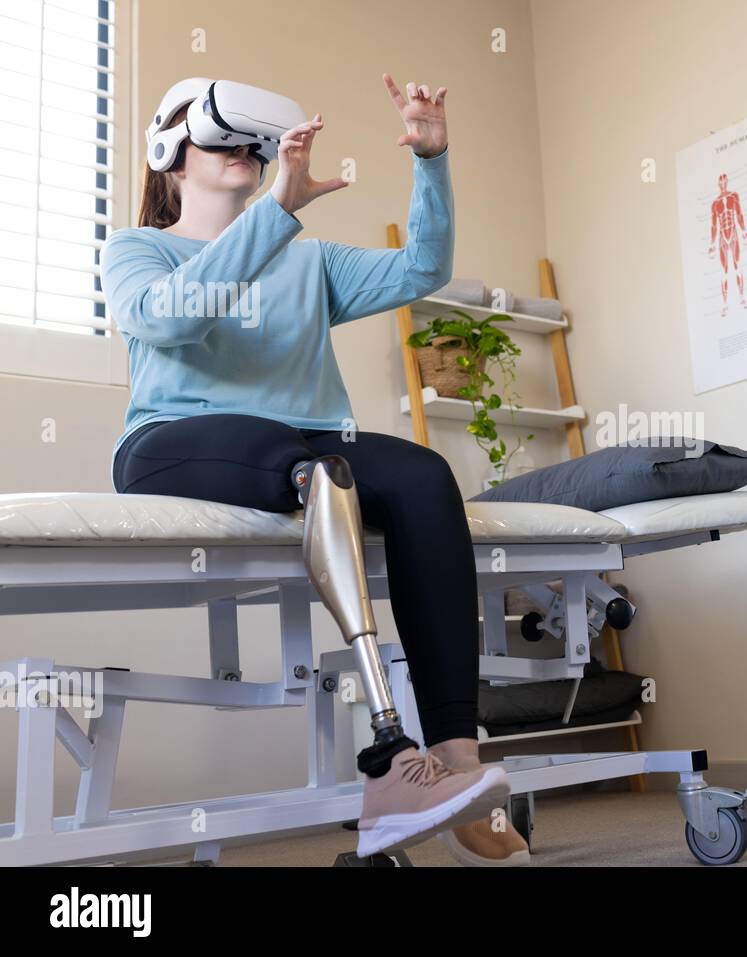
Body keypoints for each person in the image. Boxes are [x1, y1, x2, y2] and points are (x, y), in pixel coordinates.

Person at [101, 74, 529, 866]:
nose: (245, 154)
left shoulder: (309, 261)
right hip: (175, 441)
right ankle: (391, 754)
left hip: (308, 444)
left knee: (423, 475)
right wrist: (276, 213)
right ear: (168, 151)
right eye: (221, 138)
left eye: (254, 145)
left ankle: (454, 765)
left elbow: (422, 269)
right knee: (304, 462)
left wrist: (431, 161)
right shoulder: (139, 250)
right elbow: (167, 319)